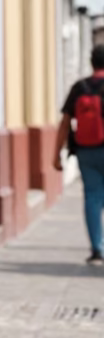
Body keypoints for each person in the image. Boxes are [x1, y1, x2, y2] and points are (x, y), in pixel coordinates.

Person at [53, 44, 104, 265]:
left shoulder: (79, 87)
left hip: (86, 150)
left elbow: (65, 123)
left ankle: (97, 249)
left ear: (92, 63)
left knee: (92, 197)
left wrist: (56, 154)